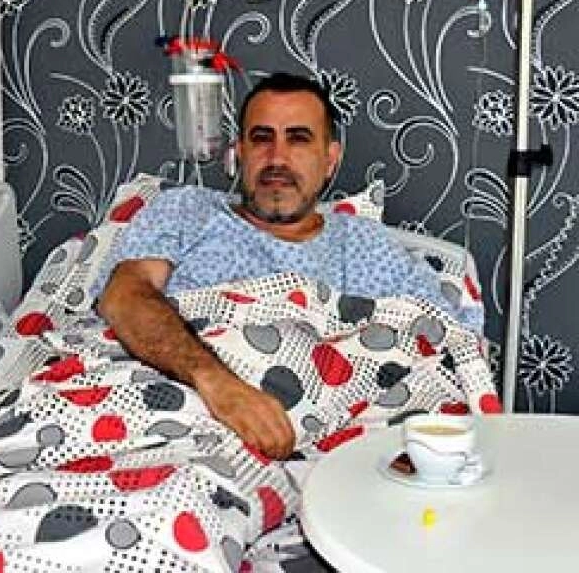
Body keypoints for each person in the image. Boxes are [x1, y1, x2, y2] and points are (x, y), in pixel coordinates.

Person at [95, 72, 481, 461]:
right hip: (168, 408)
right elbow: (125, 298)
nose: (277, 158)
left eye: (298, 139)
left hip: (295, 440)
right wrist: (217, 383)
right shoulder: (186, 211)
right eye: (262, 138)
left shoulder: (366, 245)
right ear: (240, 152)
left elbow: (443, 350)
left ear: (330, 159)